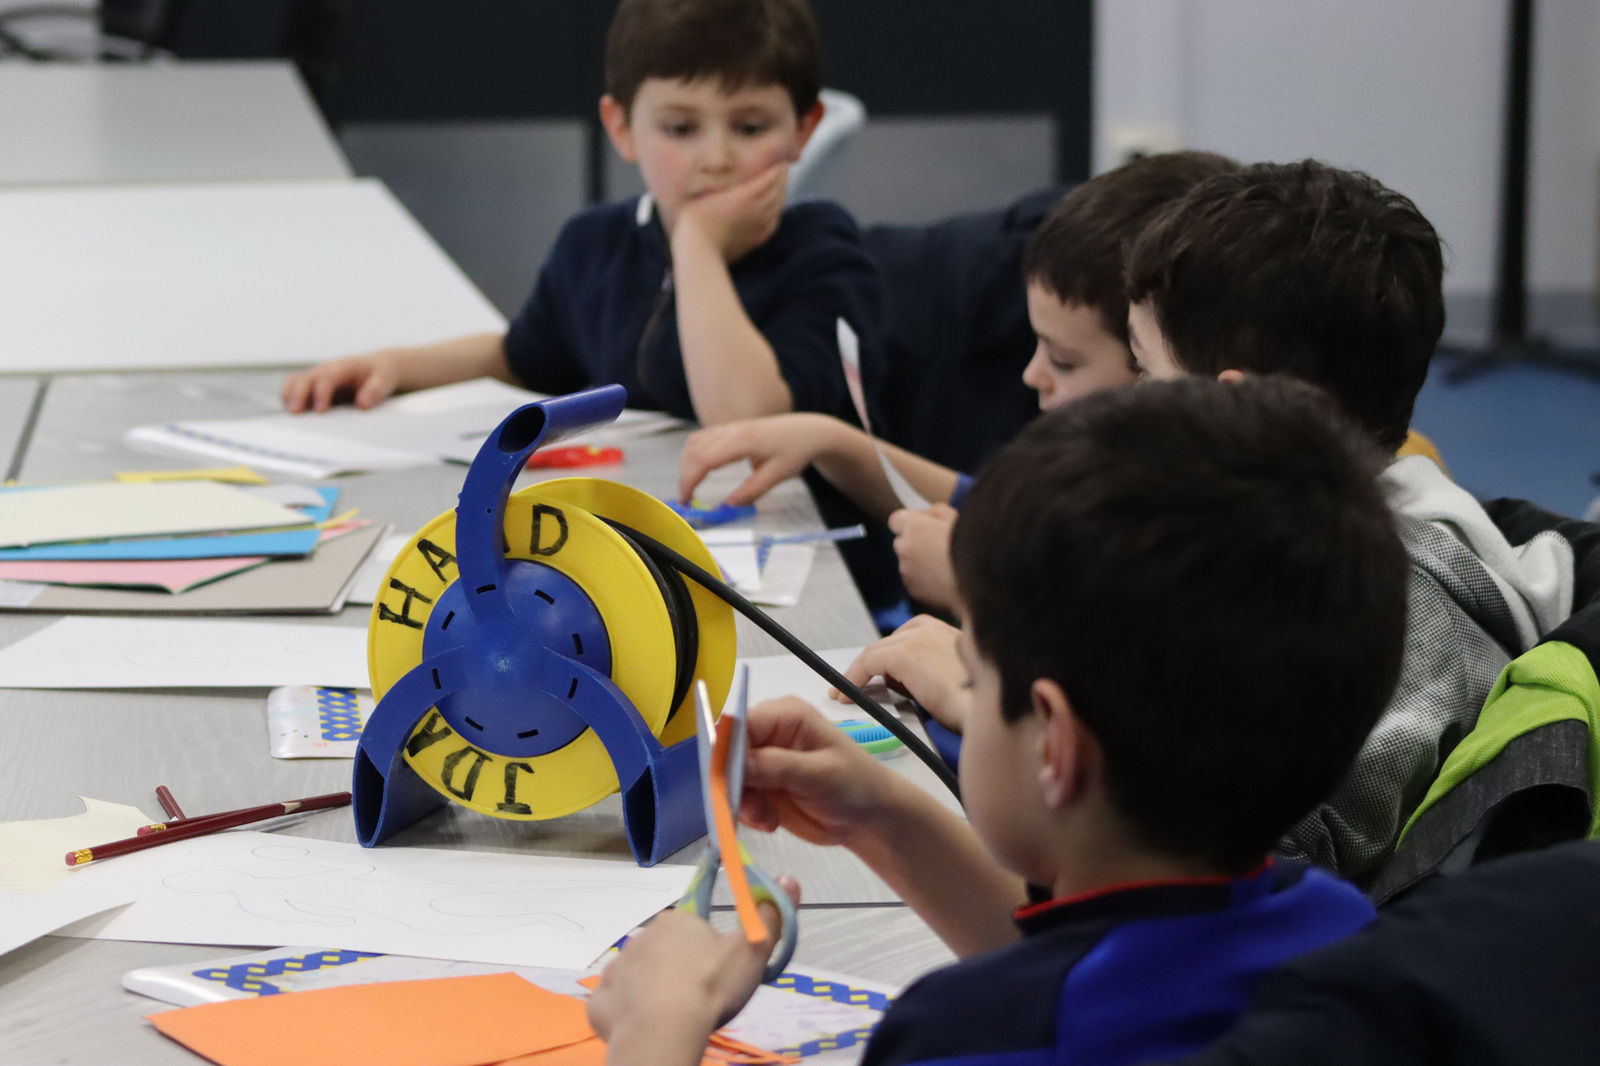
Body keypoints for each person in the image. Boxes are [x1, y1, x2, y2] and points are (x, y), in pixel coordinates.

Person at [587, 376, 1410, 1066]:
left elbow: (1041, 1011)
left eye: (973, 679)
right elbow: (1092, 978)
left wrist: (660, 1027)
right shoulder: (1340, 934)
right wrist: (885, 817)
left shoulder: (953, 1037)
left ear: (1056, 744)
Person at [1117, 160, 1581, 881]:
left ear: (1239, 408)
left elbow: (1244, 876)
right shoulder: (1286, 532)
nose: (1126, 399)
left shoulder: (1397, 623)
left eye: (1145, 372)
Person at [279, 0, 881, 430]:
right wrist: (394, 366)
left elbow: (745, 421)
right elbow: (522, 358)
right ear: (622, 128)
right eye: (680, 128)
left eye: (750, 128)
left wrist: (698, 244)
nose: (717, 158)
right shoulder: (595, 244)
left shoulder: (822, 252)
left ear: (804, 129)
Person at [677, 151, 1238, 611]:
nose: (1032, 374)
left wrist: (974, 590)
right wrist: (832, 442)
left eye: (1064, 361)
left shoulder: (1184, 547)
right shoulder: (1118, 478)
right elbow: (989, 508)